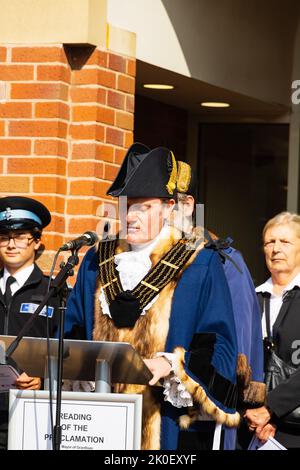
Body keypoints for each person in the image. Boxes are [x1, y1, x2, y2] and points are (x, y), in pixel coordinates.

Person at [64, 143, 240, 450]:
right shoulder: (96, 260)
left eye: (142, 206)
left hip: (167, 425)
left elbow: (220, 345)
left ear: (169, 206)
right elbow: (72, 330)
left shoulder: (199, 261)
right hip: (96, 424)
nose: (130, 216)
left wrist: (172, 365)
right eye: (125, 205)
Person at [172, 161, 265, 449]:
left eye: (163, 204)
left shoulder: (224, 260)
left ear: (187, 205)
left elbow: (236, 347)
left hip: (202, 412)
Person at [0, 195, 61, 449]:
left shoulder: (55, 292)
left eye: (21, 236)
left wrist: (44, 379)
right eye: (4, 237)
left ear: (36, 242)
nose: (11, 244)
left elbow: (67, 351)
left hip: (31, 412)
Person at [245, 212, 300, 449]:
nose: (276, 249)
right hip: (252, 427)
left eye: (285, 242)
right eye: (270, 242)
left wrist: (271, 409)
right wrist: (255, 413)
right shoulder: (251, 298)